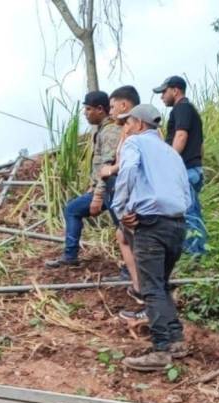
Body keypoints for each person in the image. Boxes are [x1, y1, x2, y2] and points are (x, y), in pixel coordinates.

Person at [111, 104, 190, 371]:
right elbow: (185, 190)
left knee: (152, 287)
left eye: (128, 123)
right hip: (177, 224)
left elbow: (128, 171)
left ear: (140, 125)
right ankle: (177, 340)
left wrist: (121, 210)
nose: (126, 129)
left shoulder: (135, 143)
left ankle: (161, 350)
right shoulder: (171, 152)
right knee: (161, 284)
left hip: (152, 224)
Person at [45, 91, 122, 269]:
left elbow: (108, 167)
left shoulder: (110, 132)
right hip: (105, 188)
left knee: (122, 227)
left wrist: (98, 195)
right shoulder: (104, 130)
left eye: (88, 109)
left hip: (112, 189)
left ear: (100, 109)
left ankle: (133, 267)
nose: (85, 113)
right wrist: (93, 187)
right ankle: (70, 256)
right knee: (74, 209)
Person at [98, 85, 143, 304]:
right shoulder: (139, 125)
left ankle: (142, 288)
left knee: (129, 235)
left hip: (132, 194)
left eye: (113, 106)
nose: (111, 111)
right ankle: (141, 286)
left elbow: (128, 164)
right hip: (137, 194)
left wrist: (110, 170)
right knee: (124, 235)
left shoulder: (133, 127)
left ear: (124, 105)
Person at [153, 75, 206, 256]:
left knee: (189, 214)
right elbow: (200, 145)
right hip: (194, 168)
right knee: (190, 211)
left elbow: (181, 136)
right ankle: (196, 251)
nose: (162, 97)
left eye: (164, 92)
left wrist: (170, 163)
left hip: (187, 170)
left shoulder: (181, 108)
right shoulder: (190, 110)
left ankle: (196, 255)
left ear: (175, 90)